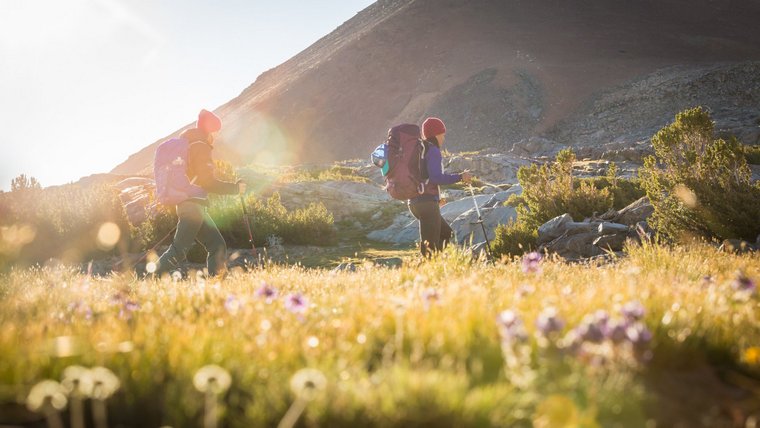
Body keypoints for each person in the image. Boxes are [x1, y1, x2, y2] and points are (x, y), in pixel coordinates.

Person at [155, 109, 245, 277]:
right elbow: (207, 182)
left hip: (193, 205)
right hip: (193, 206)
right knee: (179, 250)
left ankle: (216, 283)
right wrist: (235, 189)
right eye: (216, 132)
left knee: (217, 246)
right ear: (210, 130)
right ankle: (150, 280)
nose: (217, 136)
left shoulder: (190, 144)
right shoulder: (200, 146)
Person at [409, 117, 472, 258]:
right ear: (436, 134)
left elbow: (424, 178)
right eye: (443, 134)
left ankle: (438, 267)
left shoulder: (420, 151)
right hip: (426, 204)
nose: (443, 138)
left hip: (415, 203)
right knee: (429, 248)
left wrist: (436, 198)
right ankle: (428, 273)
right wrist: (460, 177)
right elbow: (436, 177)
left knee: (445, 233)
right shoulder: (433, 150)